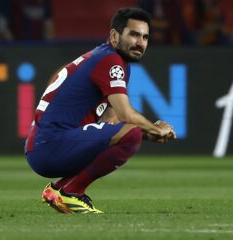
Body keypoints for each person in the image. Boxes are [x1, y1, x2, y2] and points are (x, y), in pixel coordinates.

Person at [24, 8, 176, 214]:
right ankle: (71, 192)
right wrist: (156, 130)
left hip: (44, 146)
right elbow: (127, 117)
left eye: (145, 37)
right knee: (130, 131)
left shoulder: (111, 60)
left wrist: (147, 132)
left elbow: (112, 123)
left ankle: (59, 189)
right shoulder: (110, 60)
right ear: (114, 36)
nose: (140, 42)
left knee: (127, 132)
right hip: (51, 144)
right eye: (133, 34)